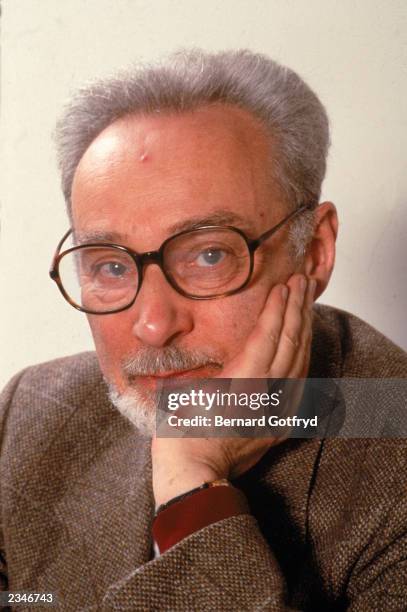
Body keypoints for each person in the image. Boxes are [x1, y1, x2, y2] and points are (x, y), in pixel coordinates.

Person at [1, 49, 406, 611]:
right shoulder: (27, 417)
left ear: (314, 251)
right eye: (111, 267)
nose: (153, 325)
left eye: (210, 255)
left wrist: (192, 489)